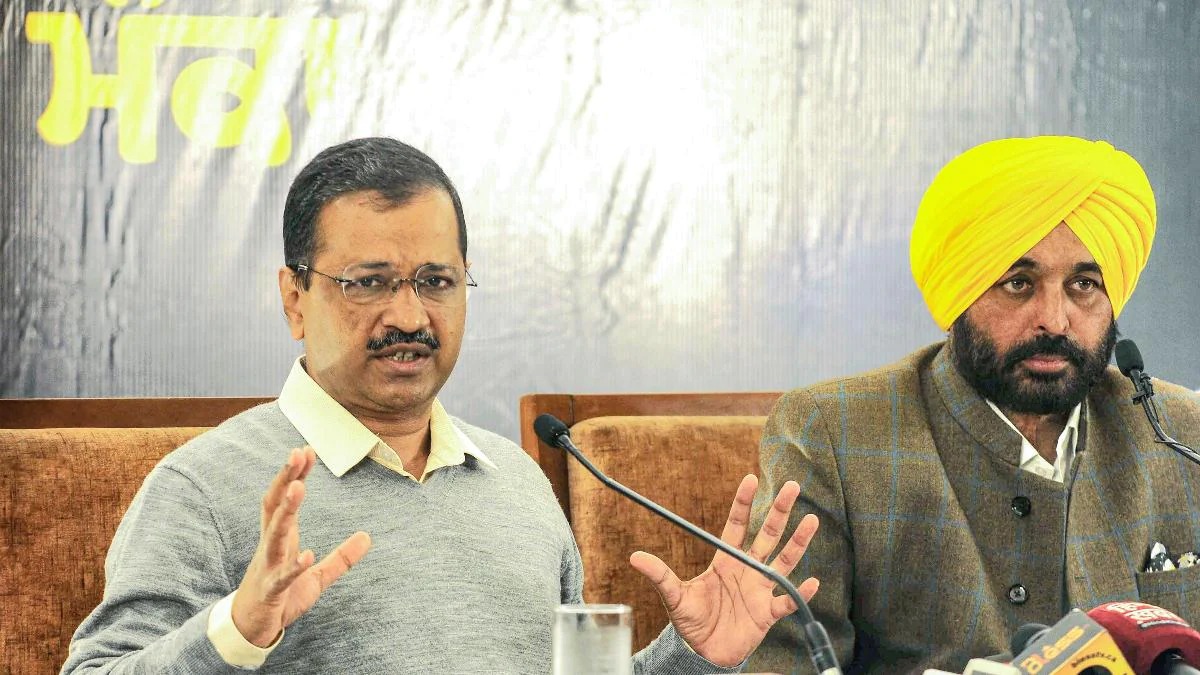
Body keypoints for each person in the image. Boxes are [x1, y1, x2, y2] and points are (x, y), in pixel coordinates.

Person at [62, 137, 821, 673]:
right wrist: (234, 634)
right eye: (368, 282)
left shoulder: (518, 481)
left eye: (436, 281)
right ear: (294, 298)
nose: (409, 315)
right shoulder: (203, 488)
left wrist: (693, 658)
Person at [746, 136, 1200, 673]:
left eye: (1083, 283)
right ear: (960, 292)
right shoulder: (834, 435)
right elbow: (782, 663)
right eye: (1018, 283)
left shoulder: (1180, 432)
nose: (1055, 320)